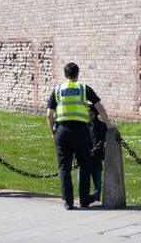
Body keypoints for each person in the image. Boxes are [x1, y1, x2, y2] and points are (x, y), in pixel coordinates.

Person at [46, 62, 112, 210]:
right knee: (84, 165)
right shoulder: (83, 88)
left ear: (65, 74)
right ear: (77, 74)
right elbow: (99, 107)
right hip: (81, 131)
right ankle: (84, 200)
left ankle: (68, 202)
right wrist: (108, 125)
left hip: (62, 131)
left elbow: (49, 114)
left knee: (64, 167)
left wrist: (52, 131)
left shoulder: (57, 90)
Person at [82, 103, 107, 202]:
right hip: (84, 155)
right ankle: (84, 195)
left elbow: (102, 140)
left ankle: (96, 195)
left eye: (91, 113)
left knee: (97, 176)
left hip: (96, 155)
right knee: (84, 177)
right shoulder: (82, 125)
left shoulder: (101, 126)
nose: (89, 115)